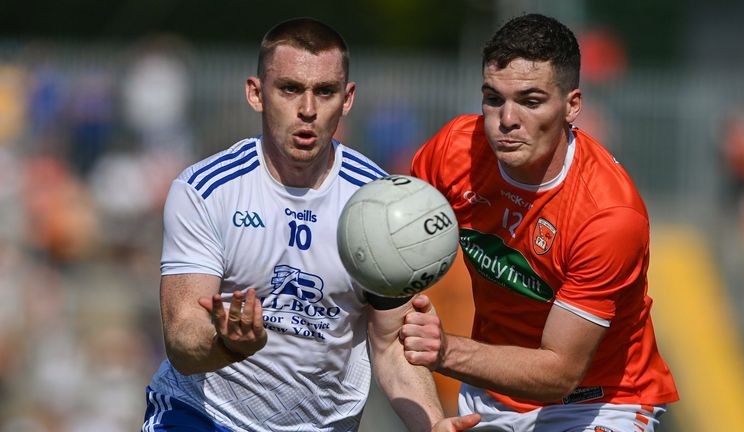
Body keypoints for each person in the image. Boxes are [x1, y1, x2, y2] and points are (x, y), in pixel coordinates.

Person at [142, 18, 480, 432]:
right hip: (203, 417)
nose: (307, 109)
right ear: (256, 93)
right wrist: (228, 343)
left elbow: (391, 344)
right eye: (289, 89)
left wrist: (432, 424)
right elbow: (181, 339)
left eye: (324, 91)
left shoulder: (379, 205)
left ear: (347, 98)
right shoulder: (206, 190)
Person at [402, 13, 679, 431]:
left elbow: (560, 372)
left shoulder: (609, 215)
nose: (506, 119)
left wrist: (445, 352)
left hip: (598, 400)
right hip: (492, 391)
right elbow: (392, 246)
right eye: (493, 99)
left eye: (530, 101)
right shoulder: (453, 152)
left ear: (572, 106)